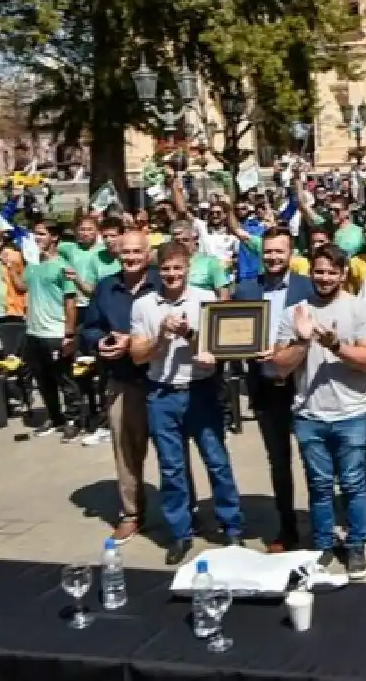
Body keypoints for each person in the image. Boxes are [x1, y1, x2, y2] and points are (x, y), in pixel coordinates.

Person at [128, 241, 243, 565]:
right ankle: (180, 532)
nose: (171, 274)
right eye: (166, 269)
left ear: (188, 268)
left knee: (216, 460)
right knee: (171, 466)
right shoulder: (144, 305)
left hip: (200, 389)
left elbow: (217, 351)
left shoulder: (204, 300)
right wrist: (162, 338)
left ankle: (231, 523)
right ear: (157, 270)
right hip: (161, 392)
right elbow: (137, 355)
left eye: (177, 268)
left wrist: (190, 333)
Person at [272, 244, 366, 580]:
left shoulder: (360, 310)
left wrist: (335, 346)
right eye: (319, 271)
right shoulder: (295, 312)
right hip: (309, 413)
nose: (324, 277)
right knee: (319, 486)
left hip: (351, 412)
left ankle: (357, 545)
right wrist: (303, 342)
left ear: (343, 273)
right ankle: (321, 546)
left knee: (353, 484)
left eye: (331, 271)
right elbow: (279, 366)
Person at [232, 229, 315, 553]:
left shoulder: (307, 287)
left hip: (304, 386)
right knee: (278, 462)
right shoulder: (245, 290)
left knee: (314, 460)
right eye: (268, 252)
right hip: (266, 387)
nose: (273, 257)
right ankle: (287, 528)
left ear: (291, 252)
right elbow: (232, 335)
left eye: (280, 251)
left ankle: (321, 526)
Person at [81, 230, 159, 542]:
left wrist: (138, 342)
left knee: (173, 453)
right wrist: (101, 341)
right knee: (126, 452)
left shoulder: (162, 281)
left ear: (147, 253)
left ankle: (183, 512)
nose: (130, 257)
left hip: (163, 380)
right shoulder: (106, 287)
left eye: (136, 252)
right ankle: (132, 513)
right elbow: (90, 327)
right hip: (123, 380)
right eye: (125, 252)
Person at [23, 220, 78, 438]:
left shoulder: (63, 266)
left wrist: (69, 334)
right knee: (42, 379)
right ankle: (55, 418)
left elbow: (71, 303)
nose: (36, 238)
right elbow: (21, 285)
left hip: (55, 332)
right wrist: (12, 265)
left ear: (54, 237)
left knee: (64, 379)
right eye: (35, 234)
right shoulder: (33, 264)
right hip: (34, 332)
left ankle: (73, 418)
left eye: (41, 234)